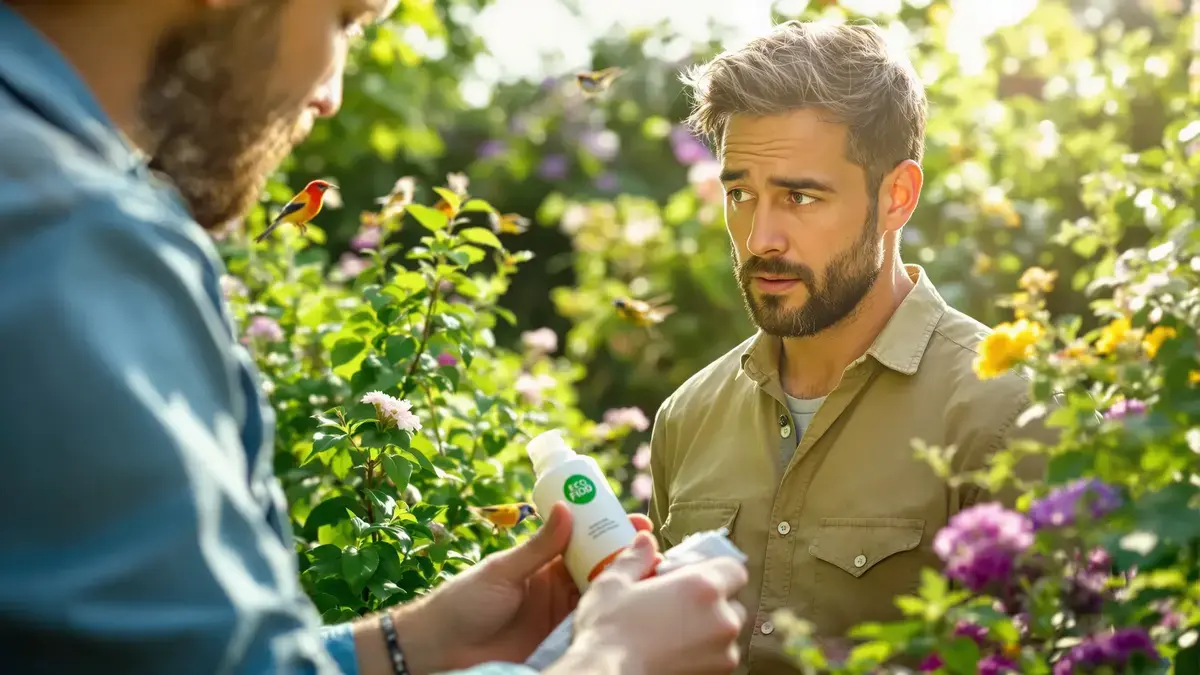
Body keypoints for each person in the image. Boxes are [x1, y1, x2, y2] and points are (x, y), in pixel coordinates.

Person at [0, 1, 749, 674]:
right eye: (346, 20)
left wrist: (415, 641)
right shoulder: (68, 240)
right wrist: (612, 660)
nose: (331, 95)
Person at [646, 20, 1056, 674]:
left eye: (800, 196)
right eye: (740, 194)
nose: (760, 238)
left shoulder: (1007, 414)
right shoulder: (685, 420)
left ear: (896, 197)